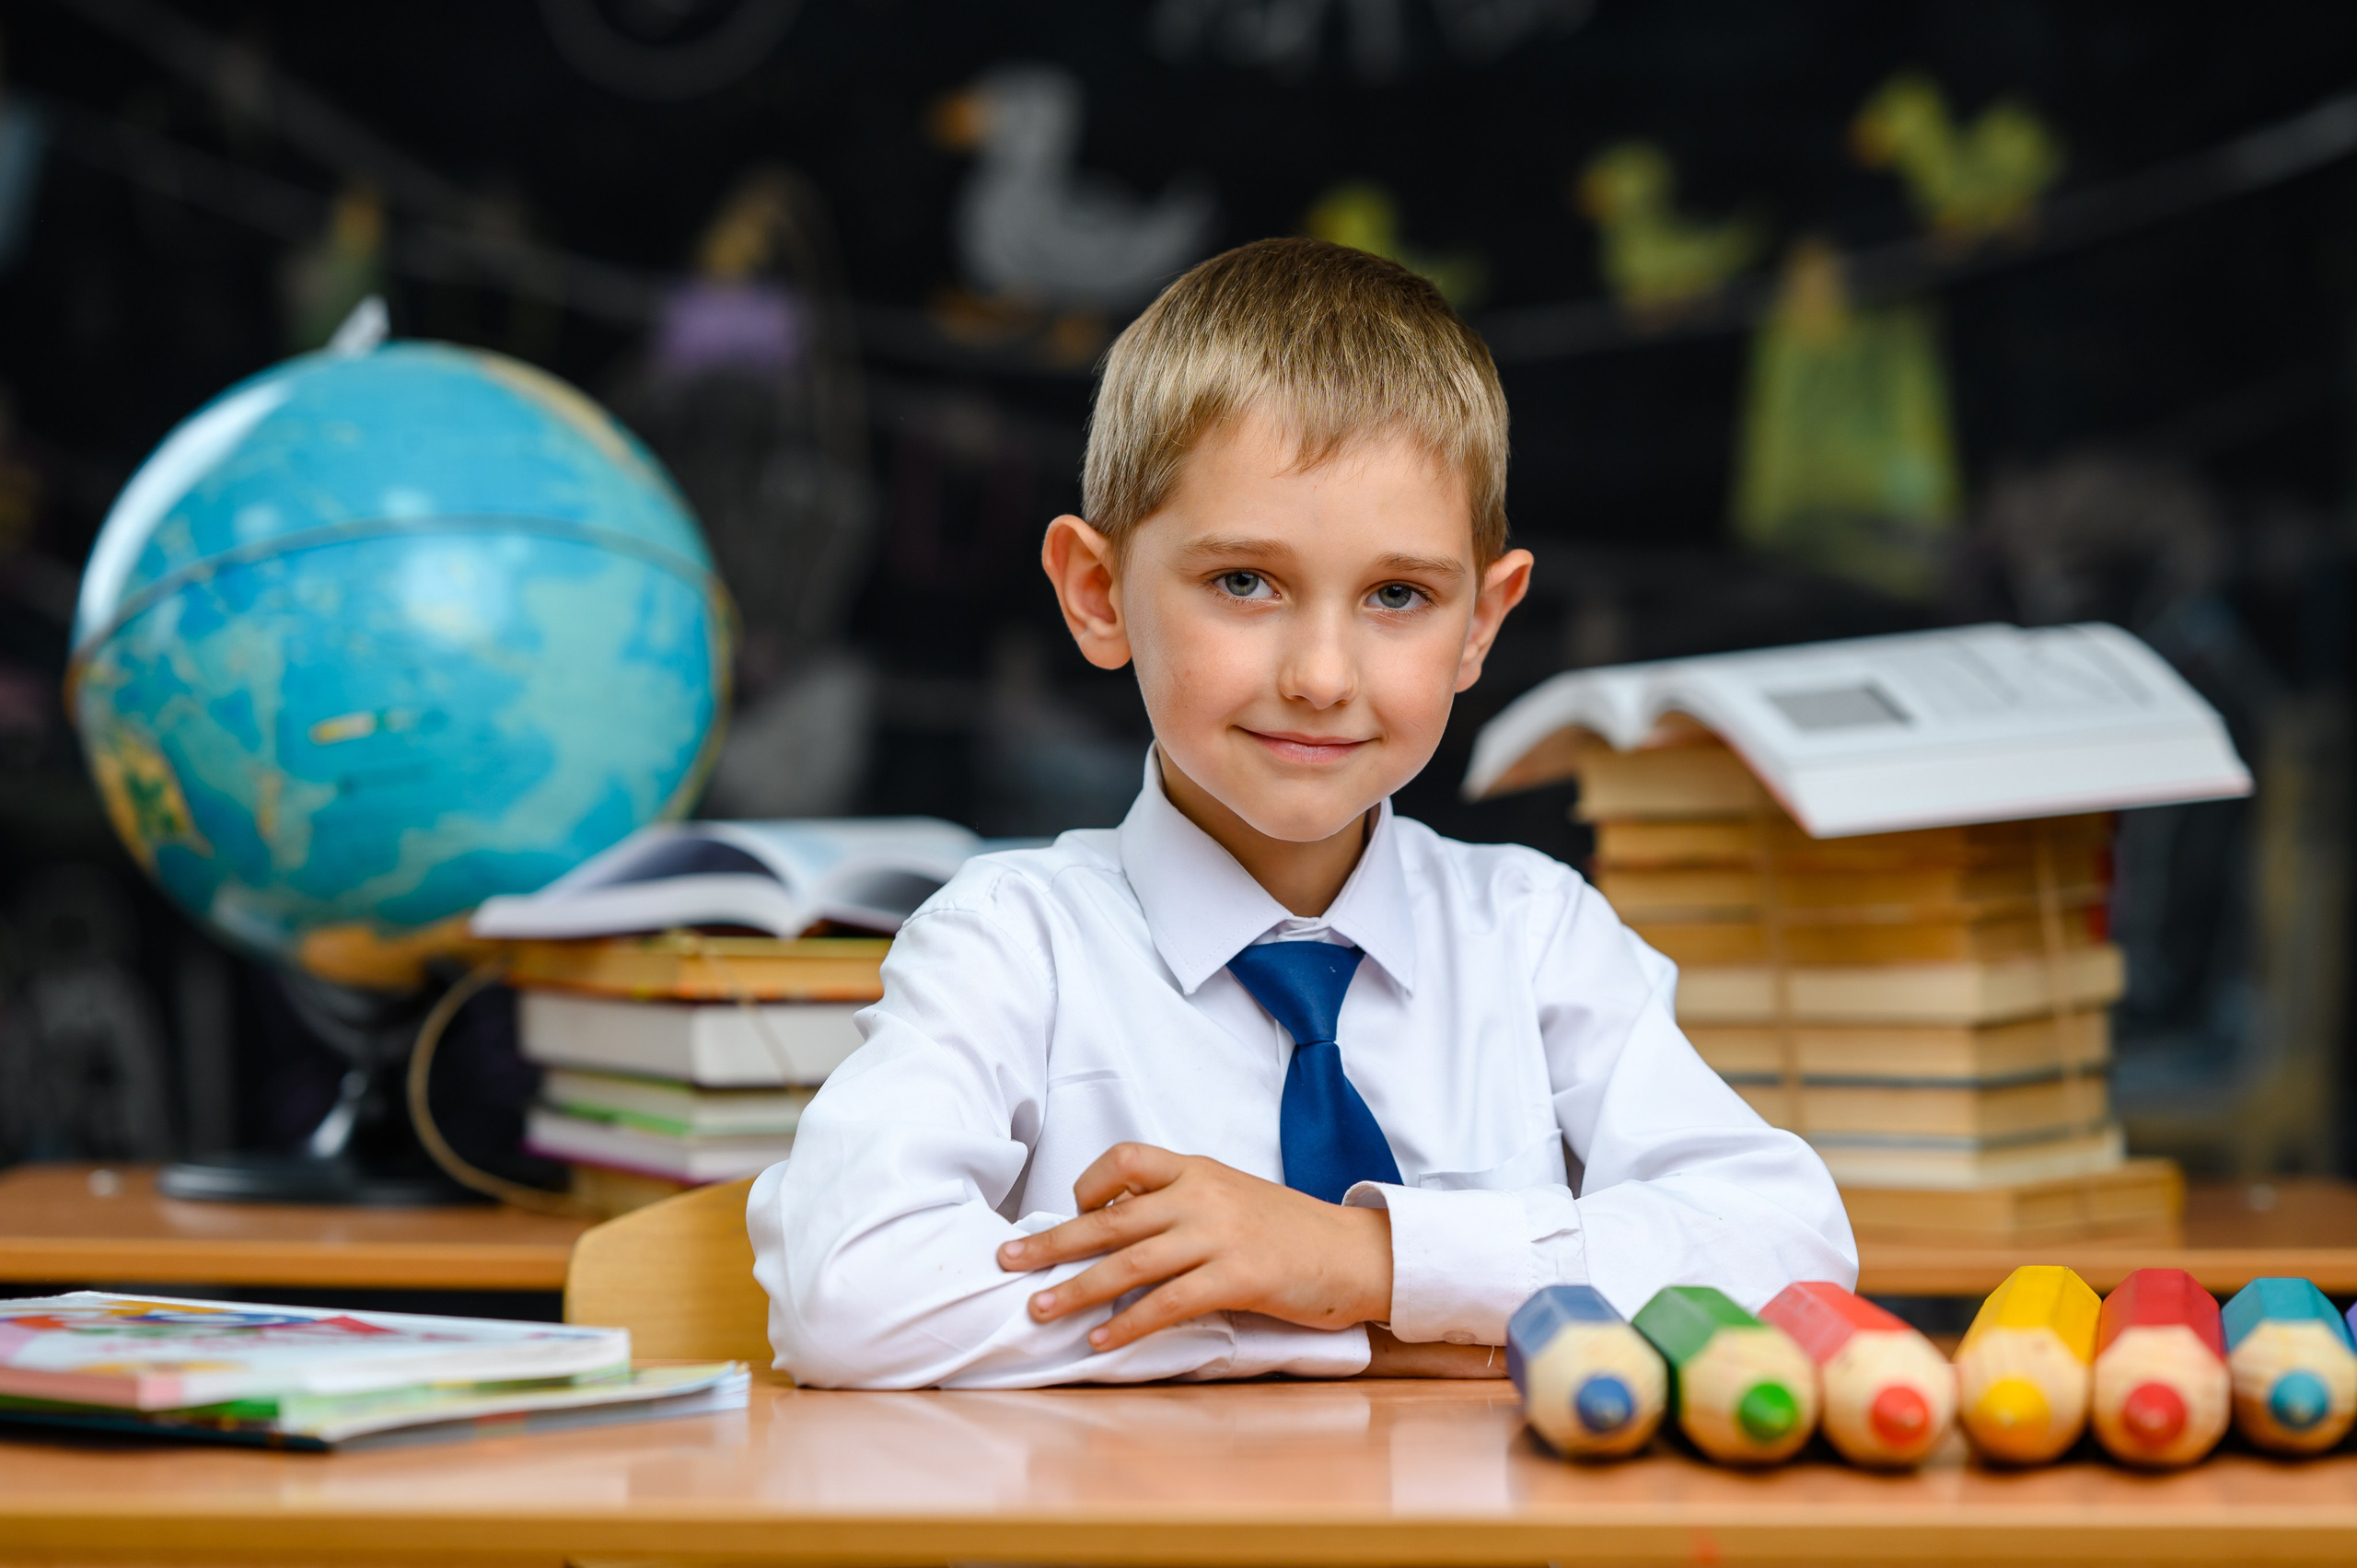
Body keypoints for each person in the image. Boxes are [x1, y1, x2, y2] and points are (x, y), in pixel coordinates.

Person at [749, 237, 1855, 1388]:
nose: (1322, 674)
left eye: (1397, 596)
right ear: (1097, 592)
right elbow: (848, 1286)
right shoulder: (1010, 942)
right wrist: (1317, 1318)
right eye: (1244, 582)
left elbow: (1785, 1245)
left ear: (1482, 621)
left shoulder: (1534, 934)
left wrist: (1369, 1260)